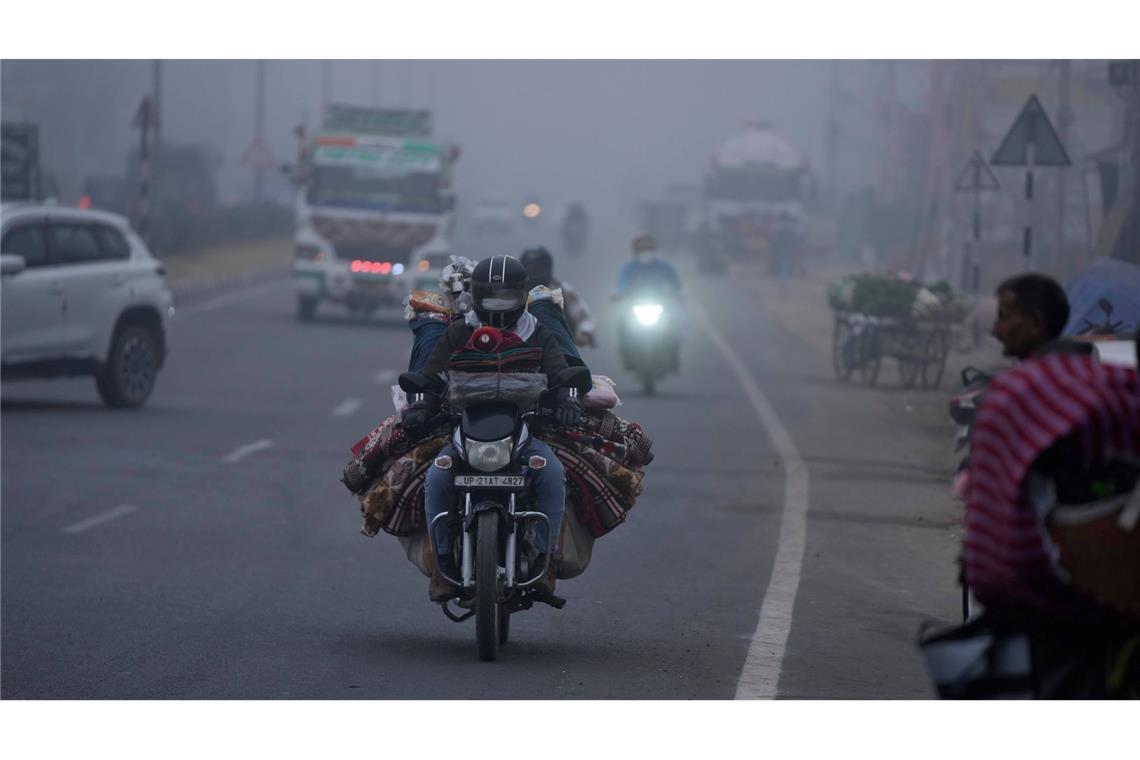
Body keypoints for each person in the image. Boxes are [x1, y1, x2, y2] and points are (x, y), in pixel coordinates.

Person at [403, 255, 581, 602]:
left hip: (524, 432)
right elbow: (432, 375)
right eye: (490, 297)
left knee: (553, 474)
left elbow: (562, 375)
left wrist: (567, 403)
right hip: (463, 434)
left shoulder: (538, 332)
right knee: (437, 476)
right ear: (477, 295)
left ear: (521, 295)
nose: (498, 306)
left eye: (506, 297)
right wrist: (422, 404)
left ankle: (546, 562)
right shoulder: (458, 332)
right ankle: (442, 565)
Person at [520, 246, 597, 347]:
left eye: (539, 269)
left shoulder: (562, 290)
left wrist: (584, 332)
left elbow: (582, 315)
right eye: (531, 269)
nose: (535, 272)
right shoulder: (516, 293)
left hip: (561, 350)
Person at [991, 273, 1080, 361]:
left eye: (1003, 317)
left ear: (1036, 323)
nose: (995, 331)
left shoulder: (1021, 375)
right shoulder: (1086, 369)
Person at [614, 234, 682, 298]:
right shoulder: (629, 268)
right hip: (635, 300)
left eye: (648, 249)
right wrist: (620, 294)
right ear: (636, 252)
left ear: (653, 250)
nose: (645, 252)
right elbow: (622, 281)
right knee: (621, 310)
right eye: (642, 250)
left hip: (661, 299)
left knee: (676, 309)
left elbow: (674, 279)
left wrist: (678, 292)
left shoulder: (664, 266)